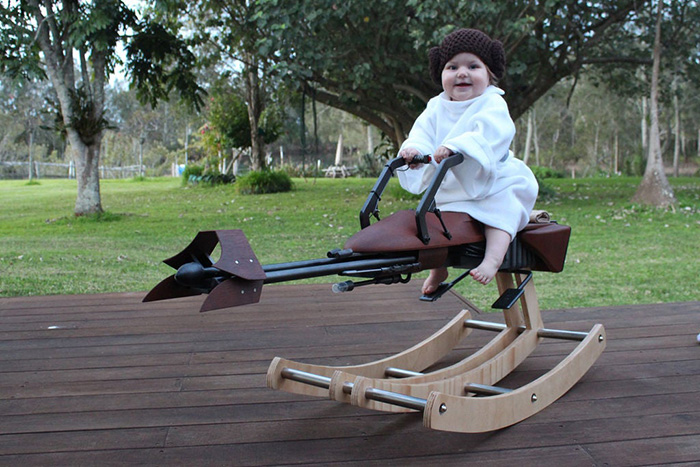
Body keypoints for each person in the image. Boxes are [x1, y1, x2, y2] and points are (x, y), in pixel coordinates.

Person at [397, 28, 538, 293]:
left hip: (495, 180)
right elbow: (422, 134)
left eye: (473, 66)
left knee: (499, 214)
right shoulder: (435, 107)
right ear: (441, 74)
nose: (462, 73)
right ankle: (438, 268)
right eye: (452, 67)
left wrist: (455, 146)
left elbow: (491, 133)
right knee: (430, 219)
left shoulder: (491, 103)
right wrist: (414, 152)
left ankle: (492, 260)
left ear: (489, 74)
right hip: (452, 184)